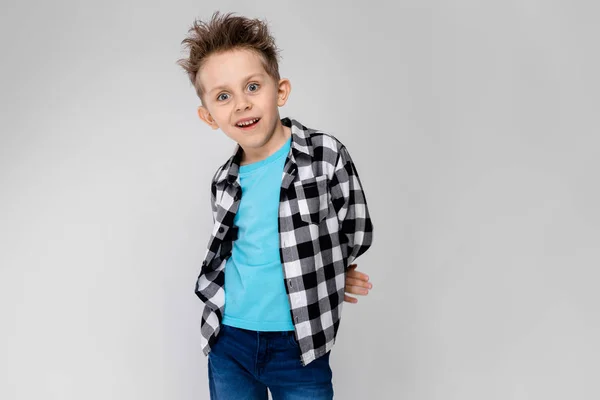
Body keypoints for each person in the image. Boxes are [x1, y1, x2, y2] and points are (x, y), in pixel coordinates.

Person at [177, 11, 374, 400]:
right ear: (208, 116)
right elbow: (230, 250)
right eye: (223, 96)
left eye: (252, 86)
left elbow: (354, 224)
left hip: (299, 345)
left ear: (279, 91)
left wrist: (335, 269)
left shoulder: (325, 156)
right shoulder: (224, 180)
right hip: (230, 339)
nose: (241, 105)